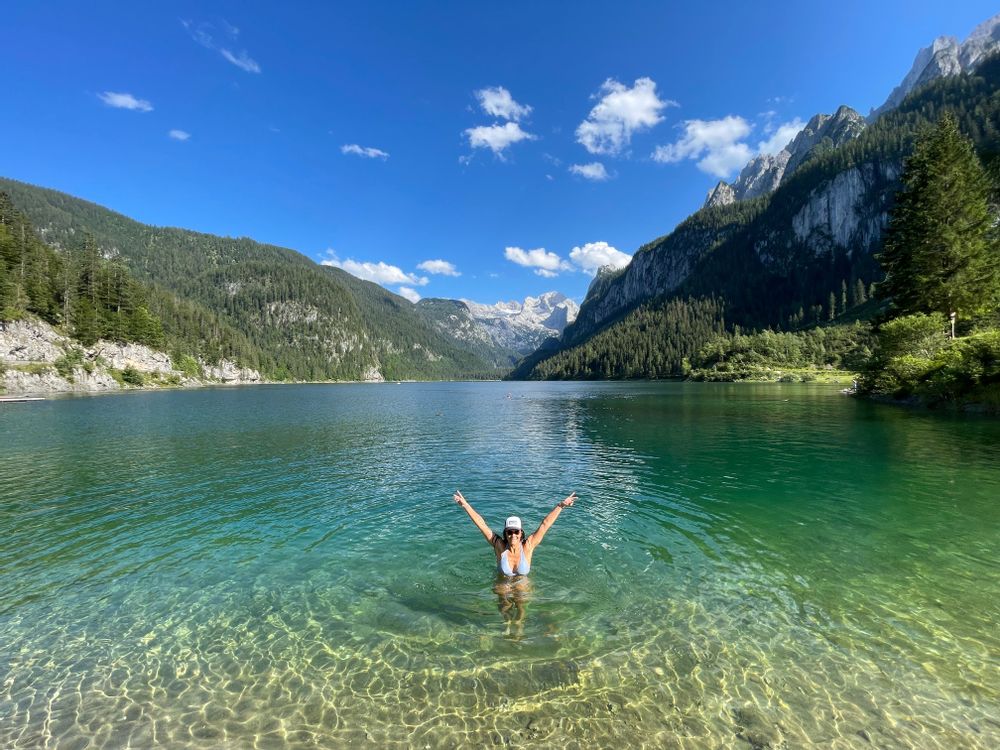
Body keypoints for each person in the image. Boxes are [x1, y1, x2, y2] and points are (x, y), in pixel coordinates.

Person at [453, 489, 577, 576]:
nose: (513, 535)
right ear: (505, 534)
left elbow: (545, 525)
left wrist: (561, 506)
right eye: (509, 532)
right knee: (504, 609)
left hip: (523, 587)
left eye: (516, 532)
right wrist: (466, 505)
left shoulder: (528, 546)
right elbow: (482, 525)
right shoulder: (499, 546)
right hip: (503, 586)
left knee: (521, 609)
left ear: (521, 533)